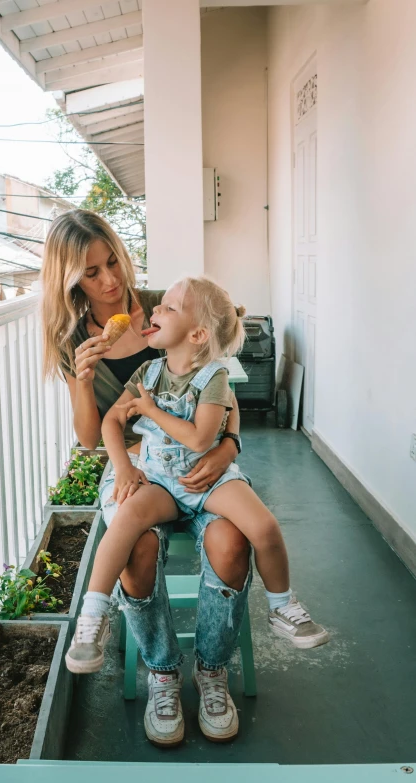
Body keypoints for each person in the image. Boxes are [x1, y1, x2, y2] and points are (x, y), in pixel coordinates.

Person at [40, 211, 315, 747]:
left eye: (112, 260)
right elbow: (93, 437)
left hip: (201, 464)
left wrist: (229, 446)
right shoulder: (71, 339)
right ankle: (162, 672)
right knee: (136, 548)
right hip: (134, 468)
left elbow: (221, 393)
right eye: (91, 273)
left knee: (234, 540)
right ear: (71, 280)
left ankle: (212, 670)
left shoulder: (168, 305)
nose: (110, 280)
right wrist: (85, 381)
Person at [65, 276, 329, 694]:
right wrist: (125, 467)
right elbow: (112, 421)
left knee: (263, 527)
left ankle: (282, 608)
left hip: (209, 480)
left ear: (197, 334)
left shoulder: (214, 377)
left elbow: (201, 439)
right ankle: (93, 617)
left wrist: (151, 409)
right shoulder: (148, 371)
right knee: (128, 517)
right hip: (162, 479)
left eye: (167, 309)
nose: (152, 312)